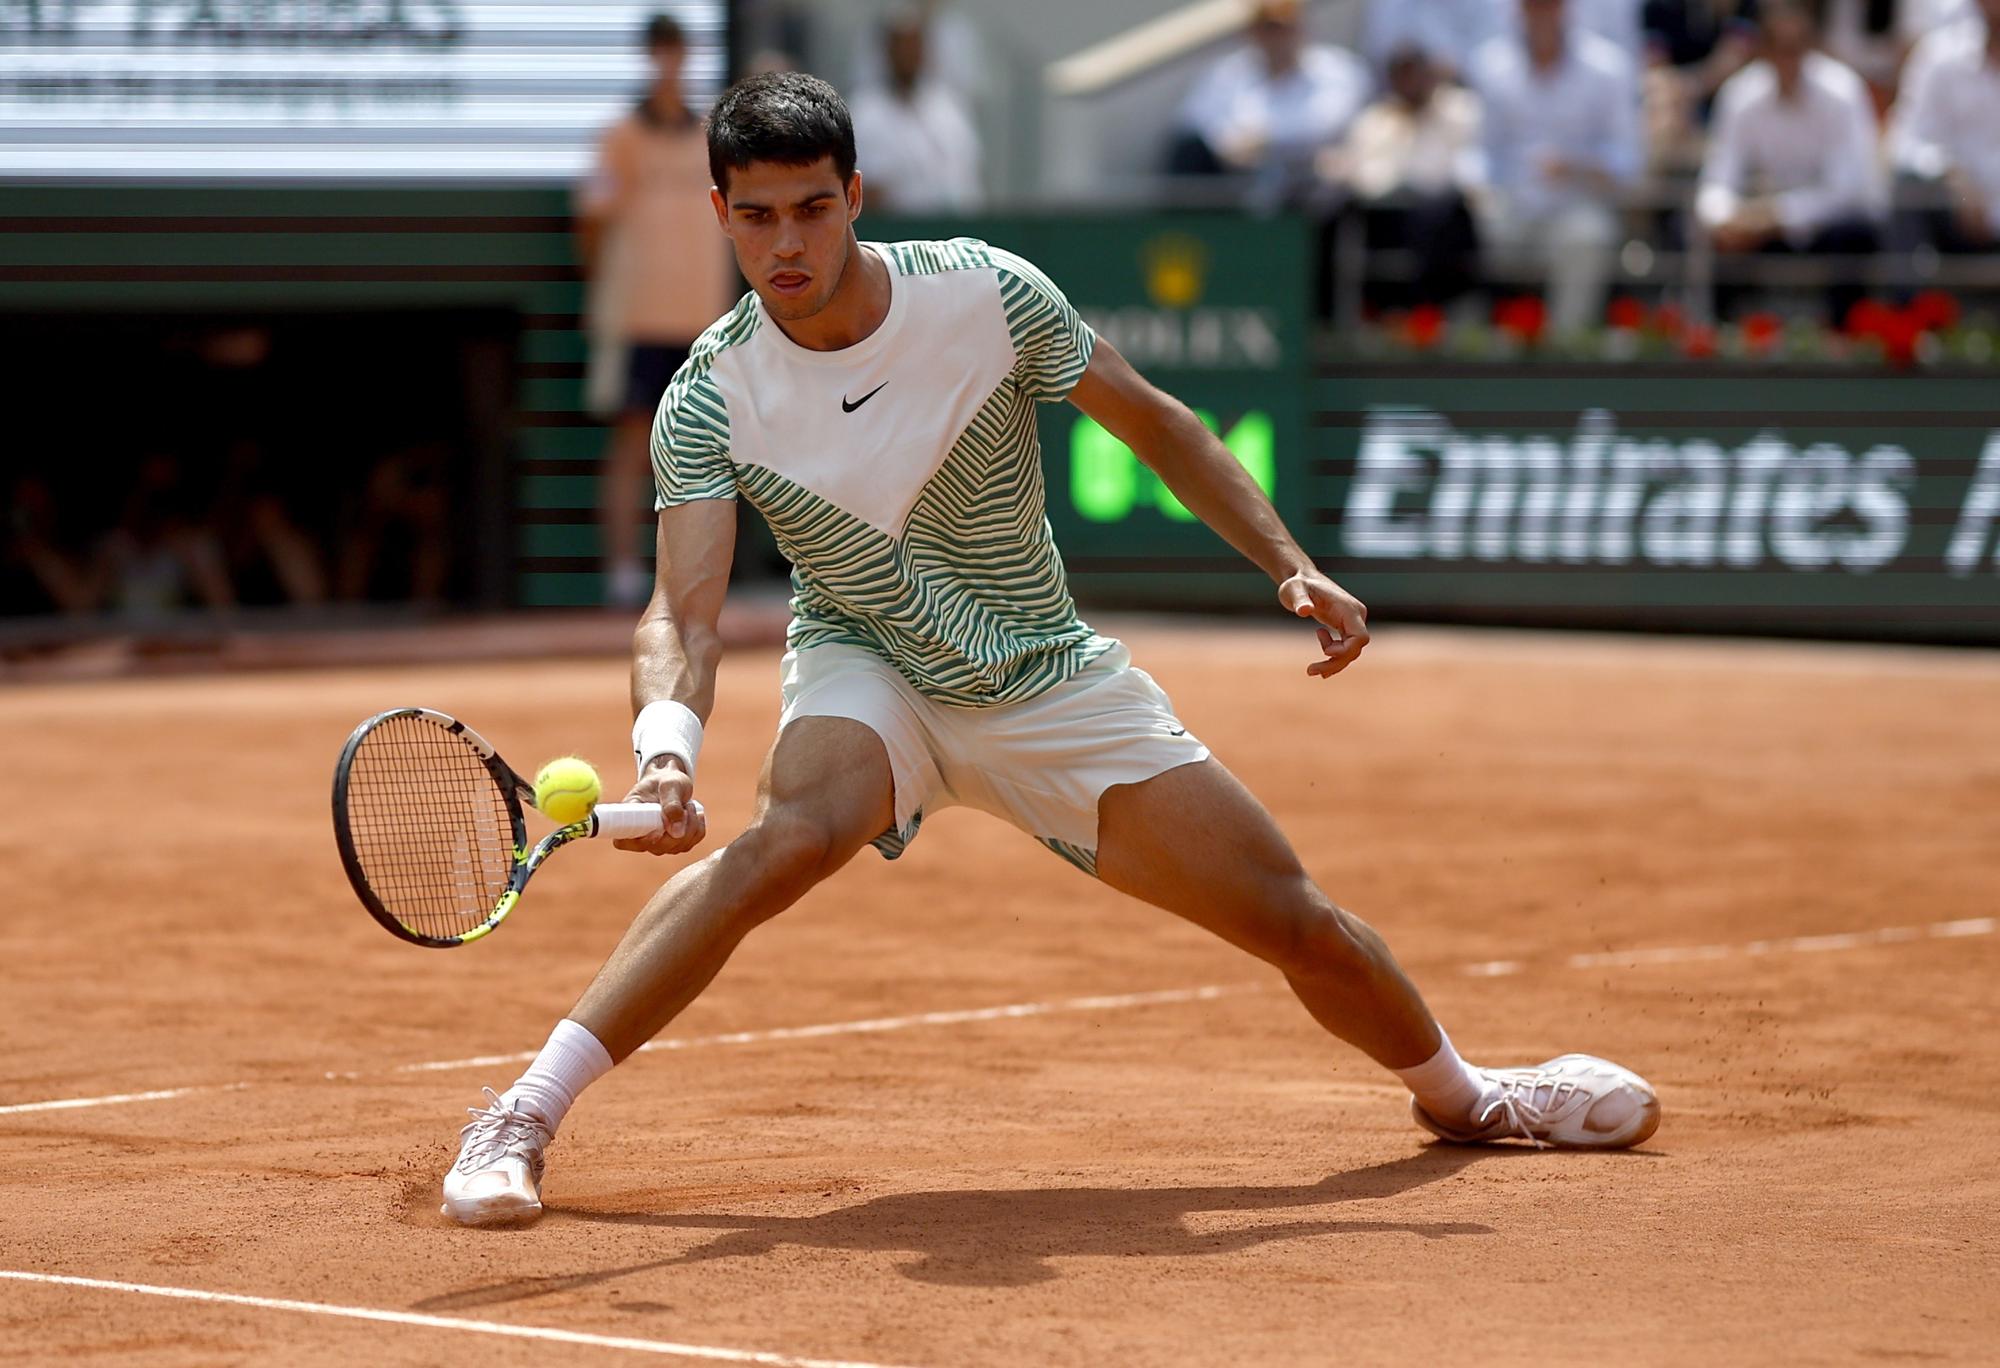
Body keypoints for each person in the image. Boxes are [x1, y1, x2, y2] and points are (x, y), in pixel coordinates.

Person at [439, 72, 1662, 1227]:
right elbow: (682, 612)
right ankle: (518, 1115)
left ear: (856, 196)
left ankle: (1466, 1095)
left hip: (1039, 671)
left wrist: (1286, 560)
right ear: (719, 216)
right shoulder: (711, 392)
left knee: (1291, 919)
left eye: (813, 207)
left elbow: (1157, 423)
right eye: (755, 217)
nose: (787, 244)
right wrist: (664, 752)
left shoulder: (982, 294)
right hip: (868, 662)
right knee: (782, 842)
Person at [578, 12, 737, 609]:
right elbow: (590, 225)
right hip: (636, 319)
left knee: (706, 455)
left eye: (677, 49)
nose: (669, 61)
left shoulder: (710, 138)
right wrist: (619, 290)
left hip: (702, 323)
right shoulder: (619, 136)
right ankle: (622, 575)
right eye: (659, 50)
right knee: (629, 448)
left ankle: (697, 579)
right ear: (649, 57)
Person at [1696, 0, 1886, 323]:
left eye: (1795, 48)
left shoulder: (1842, 92)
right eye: (1779, 48)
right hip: (1761, 228)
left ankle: (1848, 344)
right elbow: (1716, 181)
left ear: (1810, 46)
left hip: (1827, 229)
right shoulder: (1740, 96)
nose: (1789, 60)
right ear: (1763, 50)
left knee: (1853, 236)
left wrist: (1778, 214)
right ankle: (1723, 345)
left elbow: (1850, 191)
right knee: (1722, 245)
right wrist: (1727, 219)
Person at [1470, 0, 1643, 334]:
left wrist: (1576, 167)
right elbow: (1479, 153)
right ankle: (1478, 346)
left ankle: (1567, 348)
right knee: (1465, 228)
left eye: (1550, 5)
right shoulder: (1491, 65)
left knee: (1586, 238)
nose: (1542, 13)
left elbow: (1628, 160)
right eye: (1533, 6)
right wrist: (1478, 189)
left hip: (1578, 204)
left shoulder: (1608, 67)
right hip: (1509, 207)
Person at [1320, 45, 1486, 309]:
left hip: (1444, 218)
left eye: (1417, 73)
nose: (1411, 82)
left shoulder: (1460, 109)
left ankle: (1430, 311)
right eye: (1403, 74)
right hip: (1387, 217)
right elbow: (1361, 172)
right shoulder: (1375, 118)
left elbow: (1466, 170)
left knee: (1438, 213)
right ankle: (1337, 313)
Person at [1167, 0, 1370, 206]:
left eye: (1284, 28)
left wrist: (1263, 141)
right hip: (1241, 182)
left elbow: (1328, 122)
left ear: (1301, 27)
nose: (1277, 38)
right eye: (1268, 28)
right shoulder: (1228, 72)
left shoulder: (1337, 69)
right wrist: (1227, 144)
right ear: (1253, 32)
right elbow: (1193, 119)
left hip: (1312, 185)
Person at [845, 5, 984, 213]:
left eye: (915, 46)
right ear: (887, 51)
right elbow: (869, 189)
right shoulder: (864, 111)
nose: (908, 55)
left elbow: (967, 172)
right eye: (902, 46)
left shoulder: (946, 106)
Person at [1891, 0, 2000, 254]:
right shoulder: (1938, 56)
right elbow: (1905, 143)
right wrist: (1950, 174)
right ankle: (1911, 295)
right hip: (1957, 214)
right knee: (1909, 187)